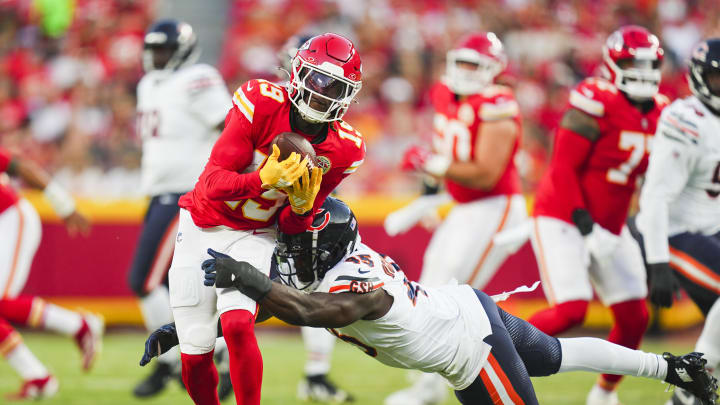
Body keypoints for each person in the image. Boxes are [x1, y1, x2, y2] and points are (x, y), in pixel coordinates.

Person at [141, 198, 719, 405]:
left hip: (470, 347)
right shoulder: (331, 261)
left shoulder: (355, 286)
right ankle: (675, 368)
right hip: (466, 308)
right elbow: (282, 304)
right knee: (557, 357)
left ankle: (675, 369)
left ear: (327, 245)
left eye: (300, 241)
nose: (291, 248)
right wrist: (186, 331)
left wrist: (248, 275)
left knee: (551, 361)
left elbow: (319, 312)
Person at [169, 33, 365, 405]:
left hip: (256, 233)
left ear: (349, 94)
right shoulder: (261, 101)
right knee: (195, 354)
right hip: (201, 223)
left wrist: (303, 207)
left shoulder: (345, 148)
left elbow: (292, 229)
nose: (322, 93)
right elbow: (210, 184)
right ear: (297, 74)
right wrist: (261, 179)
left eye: (335, 87)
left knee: (239, 324)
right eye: (316, 80)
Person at [526, 25, 668, 405]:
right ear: (612, 63)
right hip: (563, 217)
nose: (641, 71)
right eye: (632, 63)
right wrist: (586, 226)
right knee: (572, 309)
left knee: (635, 316)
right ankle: (487, 350)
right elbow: (562, 169)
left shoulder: (663, 113)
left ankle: (604, 394)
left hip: (612, 226)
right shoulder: (595, 99)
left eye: (648, 64)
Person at [391, 32, 526, 404]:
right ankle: (427, 387)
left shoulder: (499, 104)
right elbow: (447, 151)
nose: (465, 71)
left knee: (454, 298)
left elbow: (486, 173)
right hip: (465, 207)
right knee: (430, 290)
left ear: (493, 69)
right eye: (462, 62)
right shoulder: (443, 93)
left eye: (474, 65)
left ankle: (434, 389)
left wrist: (431, 165)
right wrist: (428, 198)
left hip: (496, 208)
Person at [129, 19, 235, 399]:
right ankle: (214, 356)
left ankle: (170, 362)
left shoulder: (198, 78)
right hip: (159, 192)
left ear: (183, 51)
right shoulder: (148, 85)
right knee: (176, 288)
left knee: (142, 281)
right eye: (153, 50)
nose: (157, 57)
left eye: (164, 50)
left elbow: (231, 126)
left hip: (186, 193)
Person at [630, 38, 720, 405]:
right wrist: (658, 261)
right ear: (699, 79)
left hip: (710, 230)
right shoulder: (686, 119)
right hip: (673, 233)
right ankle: (692, 383)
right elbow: (655, 196)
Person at [276, 32, 355, 403]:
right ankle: (219, 357)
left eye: (329, 82)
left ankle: (316, 373)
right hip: (258, 202)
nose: (319, 88)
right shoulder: (270, 104)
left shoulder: (338, 131)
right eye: (315, 78)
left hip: (304, 200)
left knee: (312, 285)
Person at [0, 147, 103, 400]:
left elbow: (22, 168)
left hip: (10, 218)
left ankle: (41, 375)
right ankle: (42, 373)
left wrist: (64, 205)